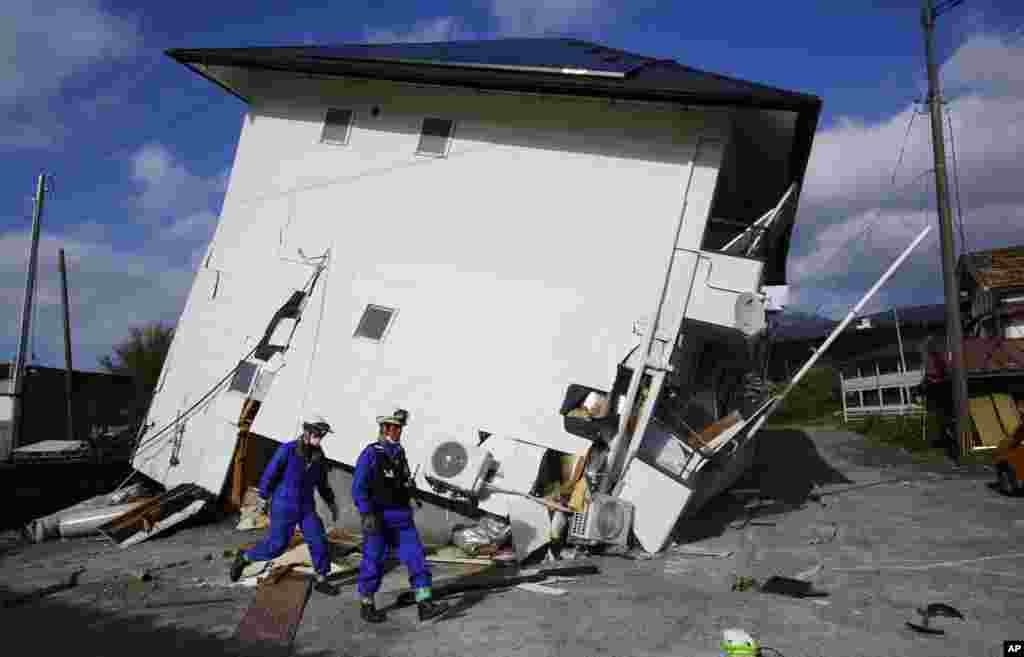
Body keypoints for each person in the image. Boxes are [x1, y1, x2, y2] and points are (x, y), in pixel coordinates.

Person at [352, 409, 449, 623]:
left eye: (400, 428)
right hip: (378, 517)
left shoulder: (400, 453)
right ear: (385, 428)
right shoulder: (371, 453)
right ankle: (367, 603)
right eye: (396, 428)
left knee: (417, 561)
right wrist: (366, 512)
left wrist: (411, 488)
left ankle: (424, 603)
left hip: (402, 517)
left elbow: (403, 480)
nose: (399, 431)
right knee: (374, 560)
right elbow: (358, 487)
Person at [229, 415, 340, 595]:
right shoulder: (287, 450)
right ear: (307, 431)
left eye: (323, 435)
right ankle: (245, 557)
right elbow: (270, 473)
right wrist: (263, 497)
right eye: (318, 434)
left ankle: (321, 578)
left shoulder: (319, 457)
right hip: (284, 504)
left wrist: (332, 503)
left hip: (306, 507)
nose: (321, 438)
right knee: (277, 546)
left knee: (318, 538)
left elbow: (322, 483)